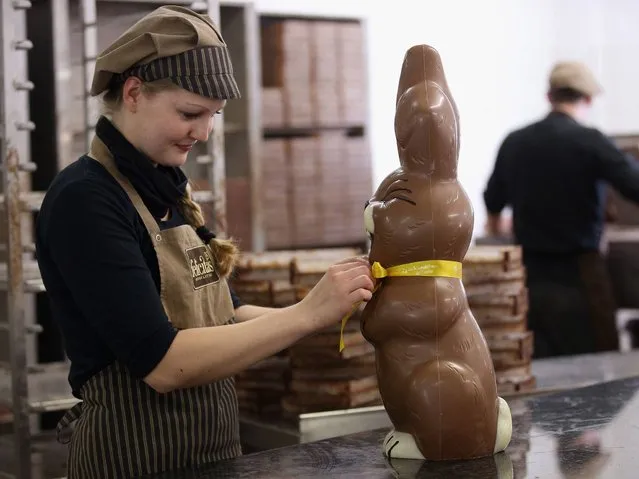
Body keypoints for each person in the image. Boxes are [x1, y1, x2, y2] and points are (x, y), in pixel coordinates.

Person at [34, 6, 374, 479]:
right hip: (133, 459)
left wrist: (327, 313)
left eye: (213, 115)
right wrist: (305, 315)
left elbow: (227, 314)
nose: (205, 133)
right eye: (190, 113)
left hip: (209, 454)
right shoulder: (86, 200)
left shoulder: (164, 187)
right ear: (133, 93)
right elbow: (163, 363)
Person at [483, 61, 639, 359]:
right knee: (595, 367)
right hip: (581, 278)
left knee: (540, 366)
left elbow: (493, 203)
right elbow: (634, 185)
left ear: (549, 96)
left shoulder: (515, 142)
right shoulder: (591, 141)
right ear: (588, 99)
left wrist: (503, 225)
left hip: (528, 277)